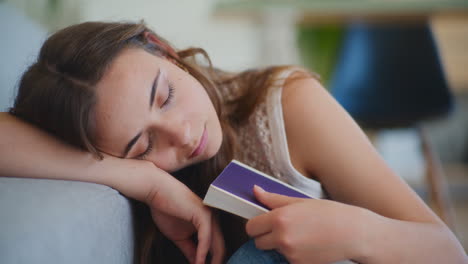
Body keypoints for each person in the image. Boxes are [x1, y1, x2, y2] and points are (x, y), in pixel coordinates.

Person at [0, 21, 466, 264]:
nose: (182, 135)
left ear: (163, 48)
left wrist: (357, 233)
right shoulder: (135, 172)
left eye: (166, 96)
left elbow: (446, 252)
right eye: (143, 146)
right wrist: (142, 180)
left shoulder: (288, 107)